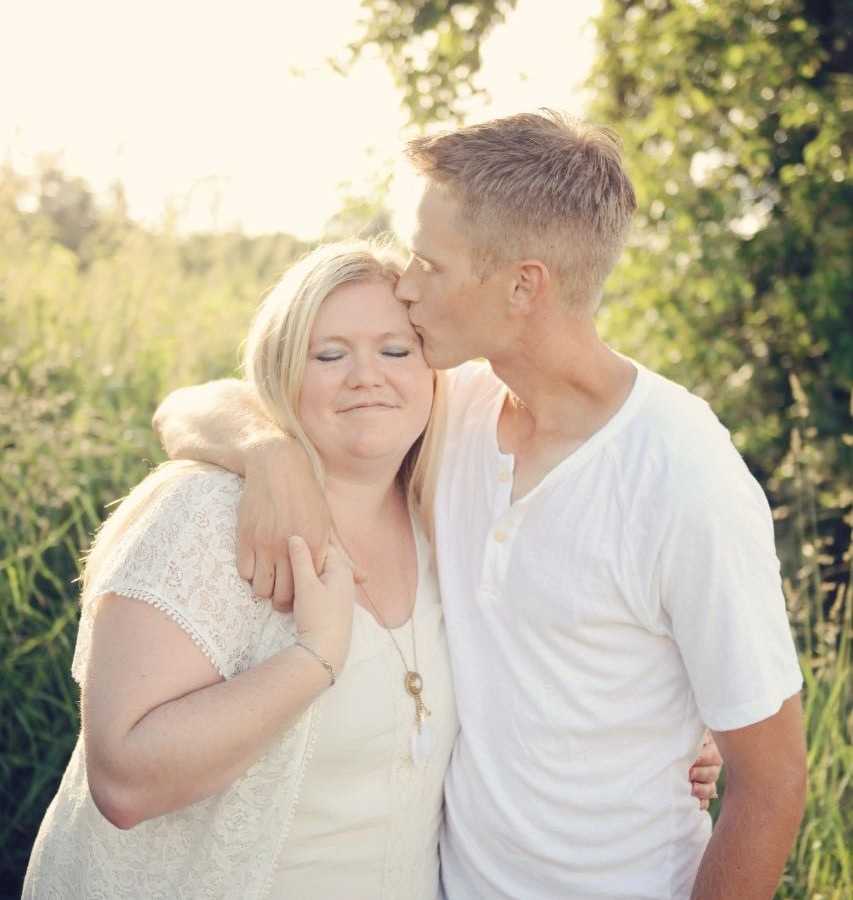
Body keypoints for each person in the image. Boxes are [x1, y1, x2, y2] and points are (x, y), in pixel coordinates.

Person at [154, 112, 806, 899]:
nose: (404, 285)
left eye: (428, 263)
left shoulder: (683, 476)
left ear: (522, 285)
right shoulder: (448, 407)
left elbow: (771, 787)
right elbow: (189, 406)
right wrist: (268, 456)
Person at [23, 241, 460, 899]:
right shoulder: (206, 511)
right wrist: (311, 660)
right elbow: (124, 780)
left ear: (434, 371)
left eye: (395, 350)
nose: (365, 375)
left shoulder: (446, 516)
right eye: (329, 354)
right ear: (280, 375)